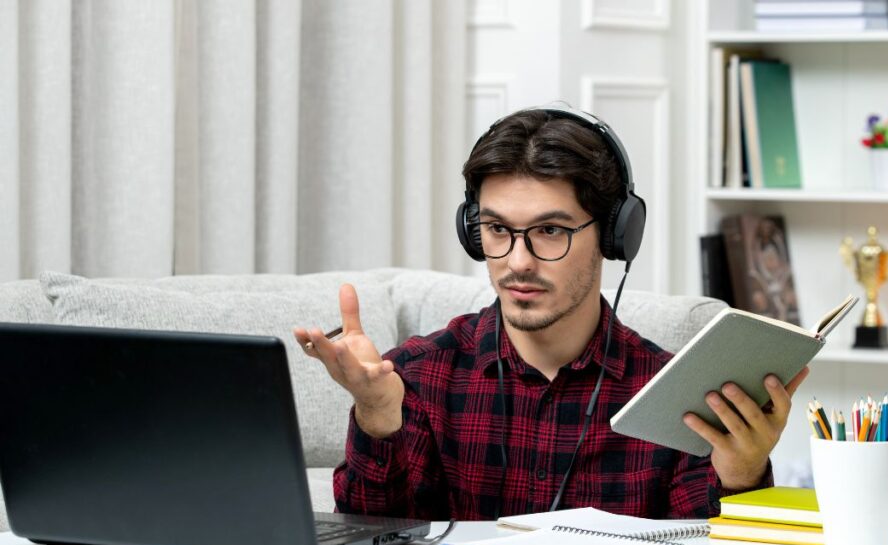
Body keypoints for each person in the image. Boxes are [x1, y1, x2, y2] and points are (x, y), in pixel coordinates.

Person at [294, 106, 808, 521]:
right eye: (497, 230)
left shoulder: (678, 397)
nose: (518, 263)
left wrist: (742, 475)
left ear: (614, 236)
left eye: (550, 232)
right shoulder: (417, 378)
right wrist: (379, 421)